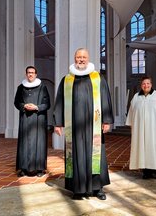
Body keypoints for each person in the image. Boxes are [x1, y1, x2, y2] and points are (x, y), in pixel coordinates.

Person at [53, 48, 114, 200]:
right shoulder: (67, 79)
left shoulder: (97, 78)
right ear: (75, 59)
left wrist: (106, 120)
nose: (81, 59)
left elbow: (105, 98)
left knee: (96, 156)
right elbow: (59, 101)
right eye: (78, 57)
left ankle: (97, 188)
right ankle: (78, 189)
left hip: (94, 124)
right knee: (76, 155)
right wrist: (57, 123)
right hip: (74, 127)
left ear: (88, 58)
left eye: (84, 57)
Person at [126, 76, 156, 181]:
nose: (146, 85)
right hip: (141, 130)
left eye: (148, 83)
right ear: (141, 85)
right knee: (144, 150)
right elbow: (132, 112)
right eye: (144, 84)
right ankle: (147, 171)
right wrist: (131, 125)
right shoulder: (136, 97)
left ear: (151, 84)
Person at [14, 66, 50, 177]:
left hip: (38, 119)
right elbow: (16, 102)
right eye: (28, 72)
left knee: (39, 144)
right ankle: (23, 169)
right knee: (24, 144)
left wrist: (36, 107)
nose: (30, 74)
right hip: (25, 118)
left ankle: (40, 169)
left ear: (36, 74)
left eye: (32, 73)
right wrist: (24, 106)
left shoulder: (42, 87)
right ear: (26, 74)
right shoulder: (21, 87)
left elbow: (47, 104)